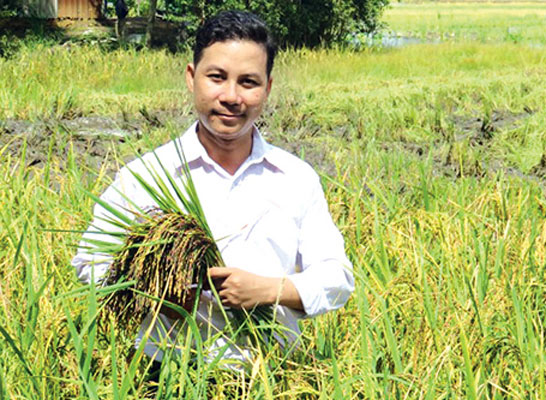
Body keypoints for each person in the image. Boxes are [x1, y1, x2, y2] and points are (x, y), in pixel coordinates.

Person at [72, 10, 354, 368]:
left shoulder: (296, 178)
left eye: (248, 82)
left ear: (267, 87)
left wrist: (269, 290)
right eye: (217, 77)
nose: (231, 96)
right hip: (162, 376)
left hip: (269, 377)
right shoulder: (148, 175)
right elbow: (90, 261)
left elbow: (337, 278)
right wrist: (156, 287)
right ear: (192, 78)